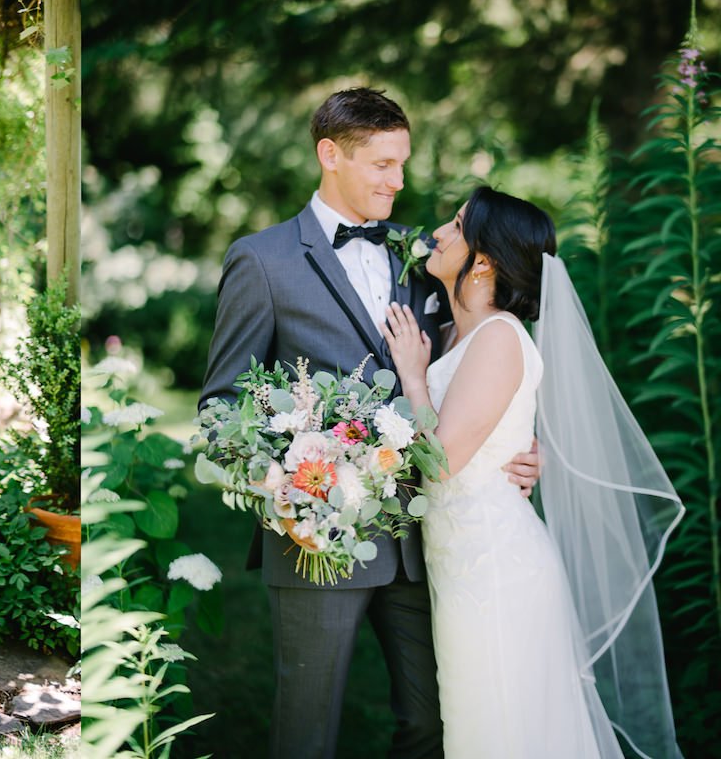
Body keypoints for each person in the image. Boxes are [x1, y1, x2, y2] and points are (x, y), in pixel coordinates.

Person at [199, 88, 540, 759]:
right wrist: (294, 484)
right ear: (331, 155)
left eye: (403, 163)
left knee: (434, 721)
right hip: (315, 543)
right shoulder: (262, 261)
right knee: (308, 729)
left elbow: (482, 358)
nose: (400, 180)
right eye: (383, 164)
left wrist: (527, 446)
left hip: (425, 540)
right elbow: (219, 406)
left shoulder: (423, 255)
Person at [382, 185, 683, 759]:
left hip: (496, 574)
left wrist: (414, 377)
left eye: (457, 225)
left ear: (485, 260)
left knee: (501, 730)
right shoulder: (453, 333)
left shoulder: (498, 339)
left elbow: (439, 465)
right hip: (463, 568)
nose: (438, 233)